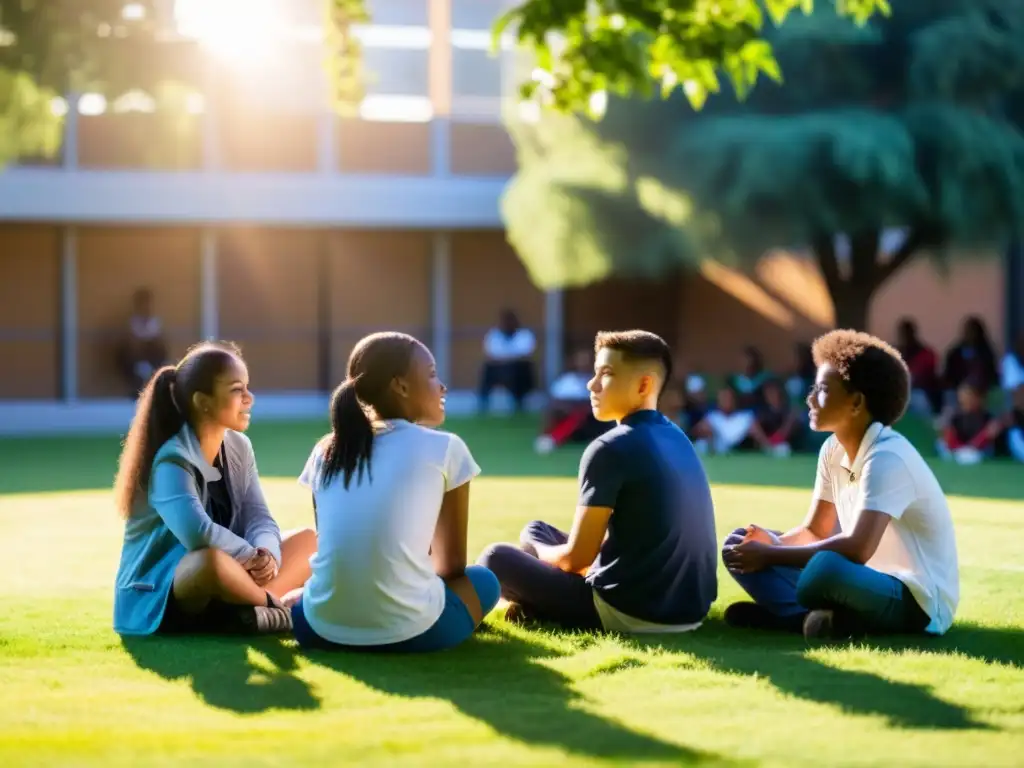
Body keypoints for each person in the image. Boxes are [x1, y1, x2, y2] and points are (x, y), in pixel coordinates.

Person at [722, 330, 960, 642]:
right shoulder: (833, 449)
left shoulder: (888, 456)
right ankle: (809, 619)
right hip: (860, 581)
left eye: (821, 390)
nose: (810, 398)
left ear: (856, 402)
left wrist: (770, 556)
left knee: (825, 570)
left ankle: (792, 616)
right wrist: (770, 545)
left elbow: (857, 548)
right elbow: (816, 531)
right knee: (738, 544)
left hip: (915, 600)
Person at [478, 330, 718, 634]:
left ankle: (532, 605)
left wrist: (538, 553)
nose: (591, 385)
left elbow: (577, 560)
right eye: (595, 373)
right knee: (535, 529)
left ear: (644, 384)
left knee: (496, 557)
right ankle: (532, 606)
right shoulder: (677, 436)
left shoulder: (609, 448)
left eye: (605, 374)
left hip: (632, 610)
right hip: (690, 609)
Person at [289, 332, 500, 653]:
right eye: (431, 374)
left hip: (318, 629)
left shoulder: (326, 449)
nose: (441, 385)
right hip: (414, 632)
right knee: (484, 581)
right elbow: (452, 568)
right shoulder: (445, 447)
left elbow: (338, 550)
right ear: (400, 385)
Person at [112, 341, 317, 636]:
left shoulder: (239, 445)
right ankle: (279, 610)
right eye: (237, 390)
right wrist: (249, 555)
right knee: (208, 561)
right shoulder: (171, 460)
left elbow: (258, 515)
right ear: (202, 401)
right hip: (168, 590)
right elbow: (198, 534)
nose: (249, 398)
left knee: (309, 541)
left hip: (234, 571)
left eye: (247, 387)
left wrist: (267, 555)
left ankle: (248, 611)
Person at [478, 309, 537, 414]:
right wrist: (508, 358)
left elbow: (525, 355)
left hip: (518, 368)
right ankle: (483, 404)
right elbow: (490, 354)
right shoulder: (494, 335)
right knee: (488, 368)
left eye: (511, 320)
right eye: (505, 321)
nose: (508, 323)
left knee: (516, 370)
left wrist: (507, 359)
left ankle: (518, 404)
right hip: (498, 367)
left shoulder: (524, 335)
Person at [118, 288, 169, 395]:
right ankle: (139, 382)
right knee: (129, 351)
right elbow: (130, 342)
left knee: (156, 348)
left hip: (152, 355)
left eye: (148, 304)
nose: (146, 307)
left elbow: (160, 342)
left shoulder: (155, 322)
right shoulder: (132, 322)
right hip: (136, 357)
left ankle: (150, 380)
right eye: (142, 304)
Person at [936, 382, 1002, 465]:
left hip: (978, 449)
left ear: (977, 398)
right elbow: (950, 440)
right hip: (958, 448)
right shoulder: (955, 415)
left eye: (969, 397)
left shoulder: (987, 417)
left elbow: (985, 440)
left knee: (976, 454)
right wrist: (960, 449)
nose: (965, 400)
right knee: (941, 444)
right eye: (963, 397)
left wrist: (971, 447)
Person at [895, 317, 941, 416]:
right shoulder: (895, 353)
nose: (905, 336)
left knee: (920, 400)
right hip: (899, 394)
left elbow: (929, 377)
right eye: (903, 333)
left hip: (920, 392)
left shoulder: (926, 353)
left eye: (907, 332)